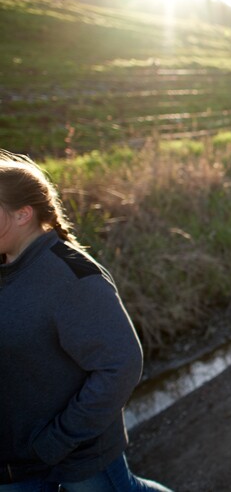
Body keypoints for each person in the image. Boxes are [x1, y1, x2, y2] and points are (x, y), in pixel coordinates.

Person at [0, 150, 171, 492]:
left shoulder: (73, 277)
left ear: (23, 215)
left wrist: (57, 440)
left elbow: (121, 365)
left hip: (77, 460)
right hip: (13, 462)